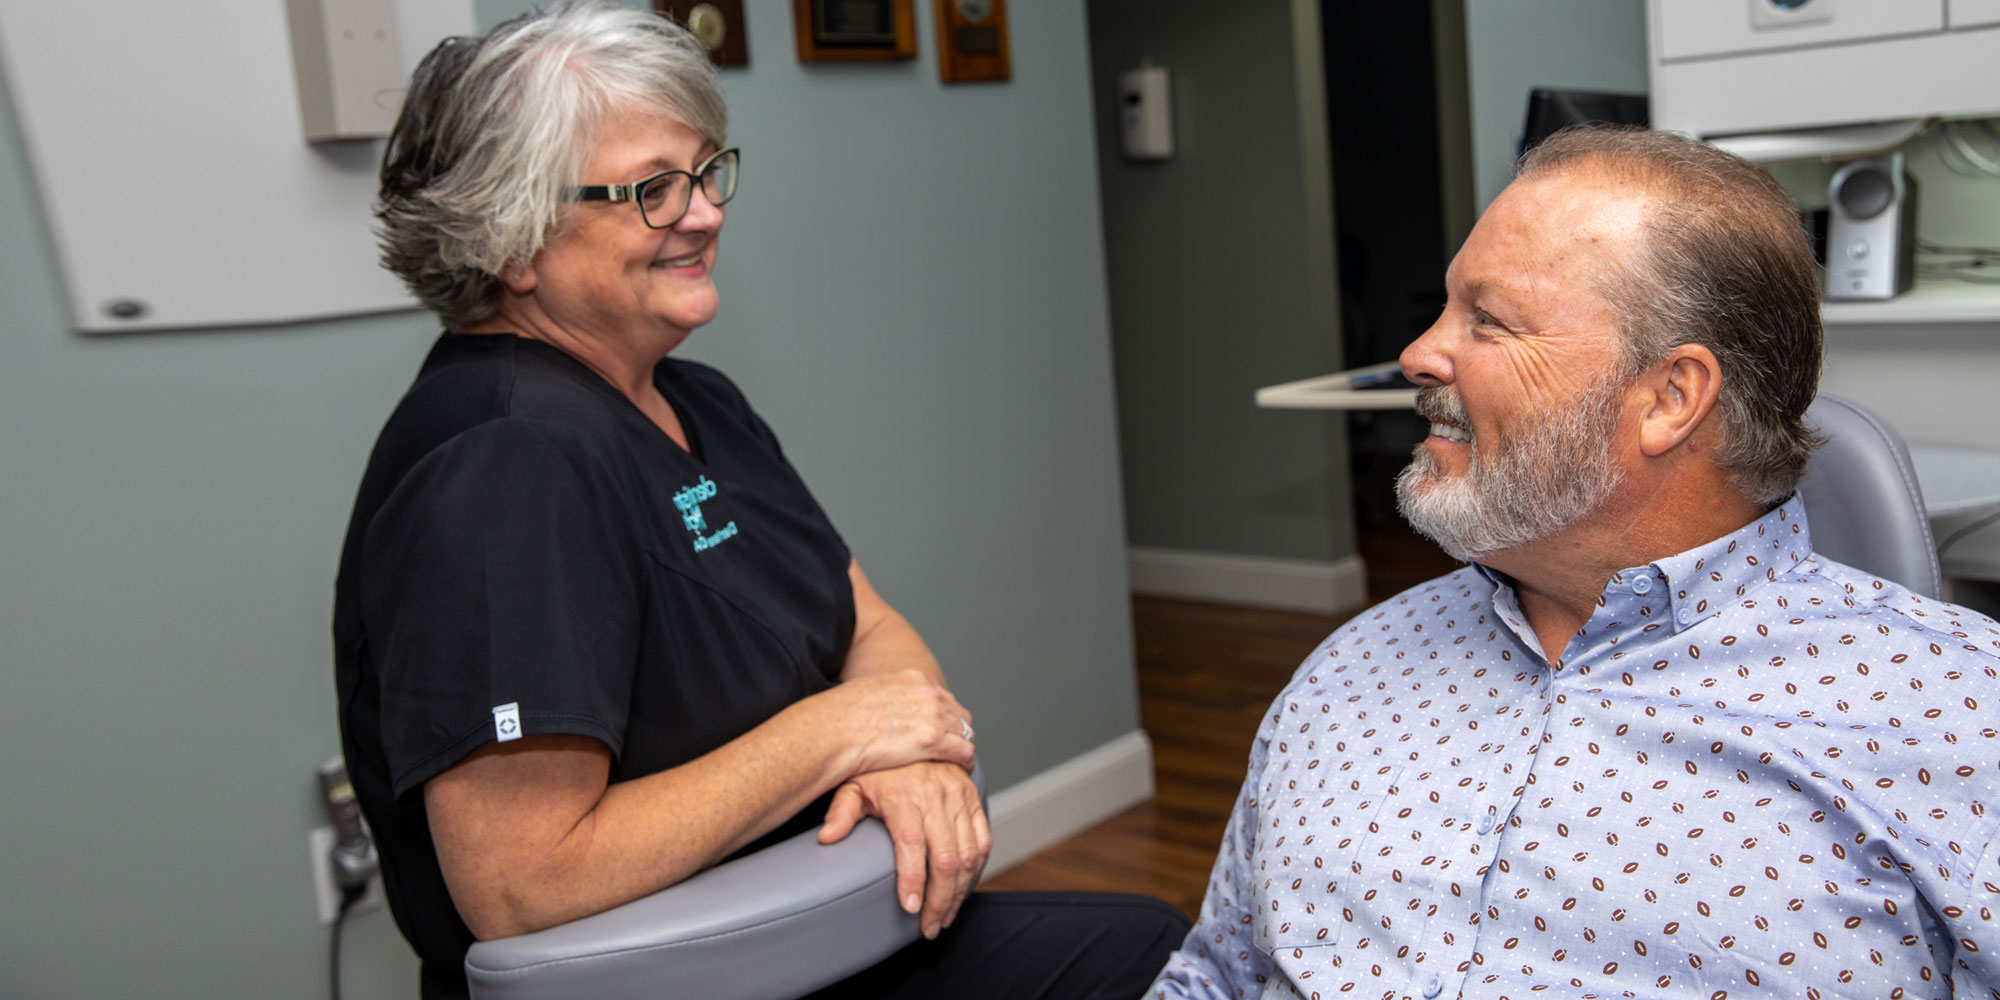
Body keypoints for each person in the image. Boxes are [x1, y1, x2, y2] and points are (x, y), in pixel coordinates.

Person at [332, 5, 1186, 997]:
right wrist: (841, 736)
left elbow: (871, 629)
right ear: (510, 237)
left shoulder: (692, 398)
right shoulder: (504, 460)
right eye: (652, 189)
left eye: (704, 172)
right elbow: (523, 881)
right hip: (695, 976)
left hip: (828, 932)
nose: (703, 211)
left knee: (1155, 949)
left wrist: (897, 750)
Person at [1148, 126, 2000, 999]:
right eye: (1446, 308)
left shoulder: (1961, 725)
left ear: (1670, 398)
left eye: (1489, 321)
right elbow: (1217, 974)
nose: (1419, 354)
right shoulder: (1346, 673)